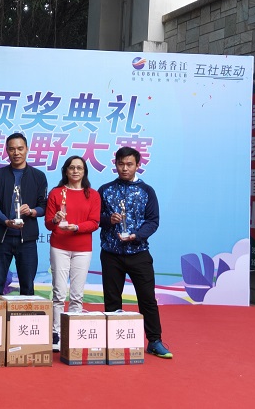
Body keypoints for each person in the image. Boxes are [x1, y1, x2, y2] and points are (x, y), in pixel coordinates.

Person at [98, 146, 172, 359]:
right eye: (121, 164)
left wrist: (137, 236)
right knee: (112, 299)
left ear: (138, 165)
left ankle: (154, 341)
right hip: (111, 253)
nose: (124, 168)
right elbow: (95, 218)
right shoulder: (105, 190)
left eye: (129, 164)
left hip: (139, 252)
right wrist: (108, 220)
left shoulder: (147, 191)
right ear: (115, 165)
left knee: (147, 299)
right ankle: (112, 342)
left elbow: (153, 221)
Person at [44, 155, 100, 352]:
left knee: (77, 295)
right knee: (59, 293)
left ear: (84, 172)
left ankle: (74, 332)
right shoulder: (56, 193)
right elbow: (48, 223)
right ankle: (56, 333)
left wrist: (76, 227)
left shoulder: (93, 195)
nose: (75, 171)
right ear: (66, 171)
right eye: (72, 168)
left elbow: (95, 222)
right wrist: (56, 219)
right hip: (59, 246)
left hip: (82, 249)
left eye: (79, 168)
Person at [0, 132, 47, 296]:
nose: (16, 153)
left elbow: (43, 206)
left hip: (27, 240)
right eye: (12, 149)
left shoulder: (38, 176)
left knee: (27, 287)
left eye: (20, 148)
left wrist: (32, 211)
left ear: (27, 149)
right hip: (2, 238)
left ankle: (25, 315)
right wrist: (5, 221)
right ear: (7, 150)